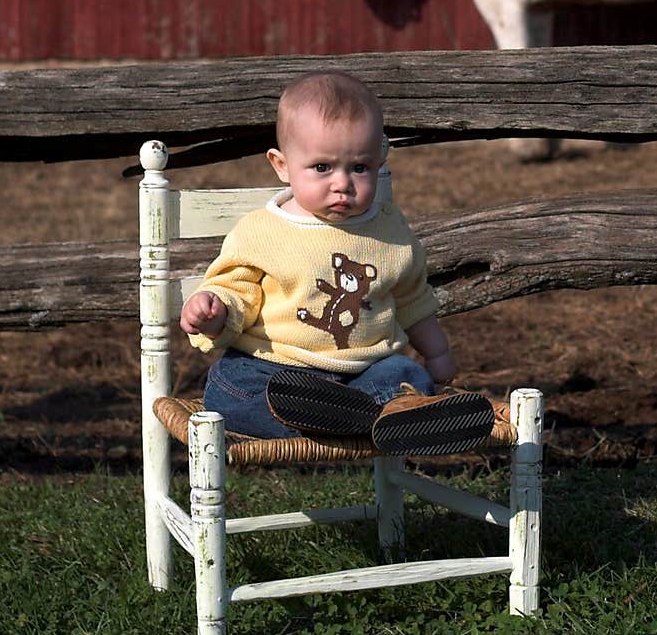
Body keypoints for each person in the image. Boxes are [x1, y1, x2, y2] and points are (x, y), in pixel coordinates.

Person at [181, 68, 495, 455]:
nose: (342, 183)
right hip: (271, 368)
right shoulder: (261, 230)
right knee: (232, 394)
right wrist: (214, 312)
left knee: (405, 374)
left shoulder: (388, 230)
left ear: (378, 161)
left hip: (363, 371)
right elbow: (235, 290)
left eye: (359, 168)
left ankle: (382, 412)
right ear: (282, 165)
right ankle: (360, 419)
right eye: (322, 167)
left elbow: (413, 300)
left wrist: (437, 356)